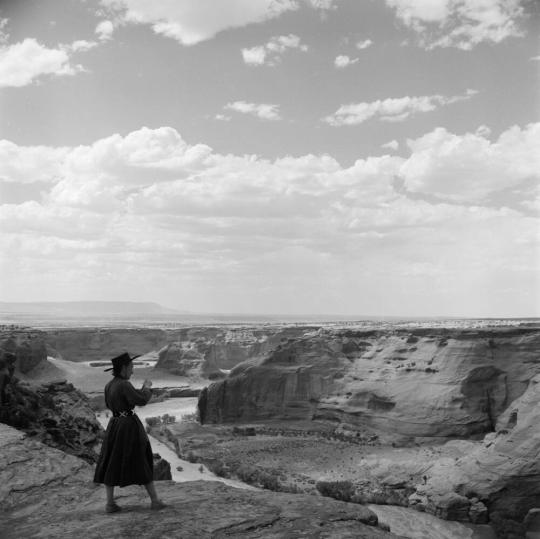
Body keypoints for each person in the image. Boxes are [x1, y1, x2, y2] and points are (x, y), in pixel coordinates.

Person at [93, 352, 166, 513]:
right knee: (141, 457)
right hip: (129, 426)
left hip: (115, 424)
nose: (132, 371)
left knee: (111, 460)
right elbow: (140, 400)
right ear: (124, 368)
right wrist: (147, 388)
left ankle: (110, 503)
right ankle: (155, 501)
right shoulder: (124, 385)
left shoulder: (109, 385)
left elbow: (112, 404)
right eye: (131, 368)